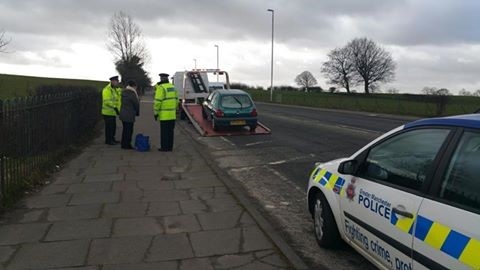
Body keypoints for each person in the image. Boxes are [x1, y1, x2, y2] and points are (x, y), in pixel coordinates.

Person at [153, 73, 178, 151]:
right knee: (170, 132)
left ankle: (164, 148)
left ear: (161, 79)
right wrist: (174, 108)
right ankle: (170, 147)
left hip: (164, 115)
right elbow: (176, 100)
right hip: (172, 115)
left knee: (164, 133)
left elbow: (157, 102)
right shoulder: (173, 87)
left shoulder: (161, 88)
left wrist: (156, 113)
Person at [120, 80, 140, 149]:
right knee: (129, 130)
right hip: (129, 114)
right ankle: (127, 145)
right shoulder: (132, 94)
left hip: (123, 113)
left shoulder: (123, 92)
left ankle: (123, 144)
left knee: (125, 129)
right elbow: (136, 104)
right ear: (134, 86)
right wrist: (137, 112)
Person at [102, 75, 121, 145]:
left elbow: (118, 98)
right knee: (109, 127)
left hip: (113, 112)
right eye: (117, 81)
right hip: (107, 112)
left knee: (113, 127)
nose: (118, 83)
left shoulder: (115, 89)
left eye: (118, 81)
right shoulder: (107, 90)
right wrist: (115, 107)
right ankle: (108, 140)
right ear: (112, 81)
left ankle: (112, 139)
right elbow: (106, 101)